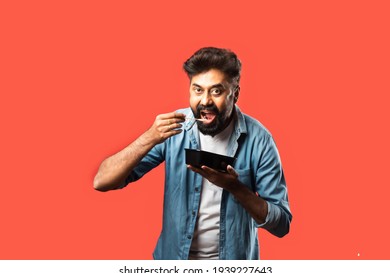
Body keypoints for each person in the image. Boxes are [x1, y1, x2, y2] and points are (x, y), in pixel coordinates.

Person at [93, 47, 292, 260]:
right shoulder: (174, 129)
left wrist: (235, 187)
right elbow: (102, 181)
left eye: (216, 91)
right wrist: (148, 137)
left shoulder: (259, 140)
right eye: (198, 90)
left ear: (235, 94)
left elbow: (281, 224)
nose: (205, 101)